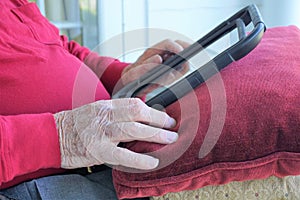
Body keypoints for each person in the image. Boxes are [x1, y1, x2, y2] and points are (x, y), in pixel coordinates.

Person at [0, 0, 189, 199]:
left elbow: (63, 48)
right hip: (29, 185)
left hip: (98, 158)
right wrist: (63, 138)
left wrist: (123, 77)